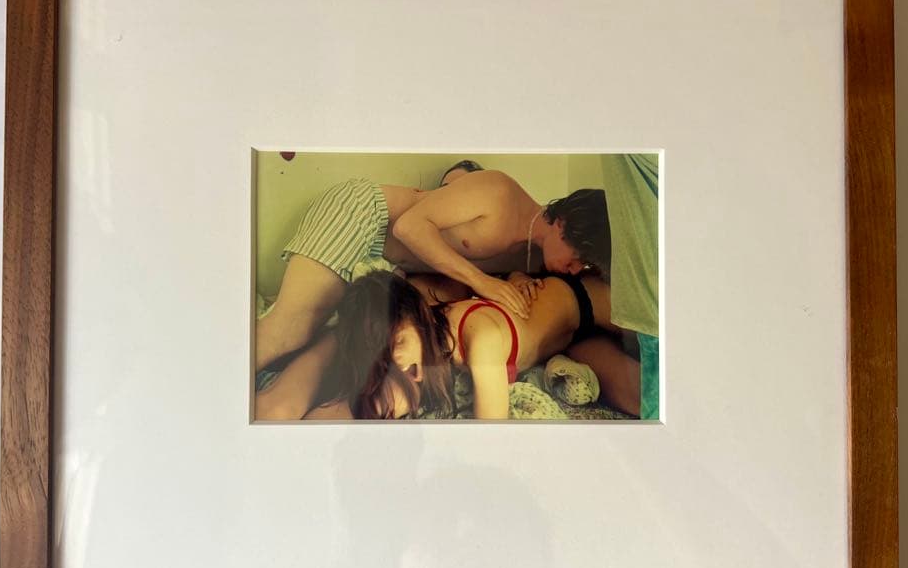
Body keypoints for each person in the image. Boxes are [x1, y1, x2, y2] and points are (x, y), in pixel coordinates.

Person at [254, 169, 611, 374]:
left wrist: (515, 280)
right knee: (290, 332)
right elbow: (408, 227)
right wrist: (483, 281)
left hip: (388, 267)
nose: (575, 270)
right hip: (366, 217)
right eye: (578, 257)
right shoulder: (501, 193)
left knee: (338, 345)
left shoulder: (531, 259)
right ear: (563, 224)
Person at [317, 269, 640, 420]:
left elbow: (491, 432)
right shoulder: (424, 339)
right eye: (386, 355)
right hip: (573, 342)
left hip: (588, 300)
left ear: (417, 315)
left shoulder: (480, 340)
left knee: (656, 353)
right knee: (636, 398)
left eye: (398, 341)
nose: (398, 360)